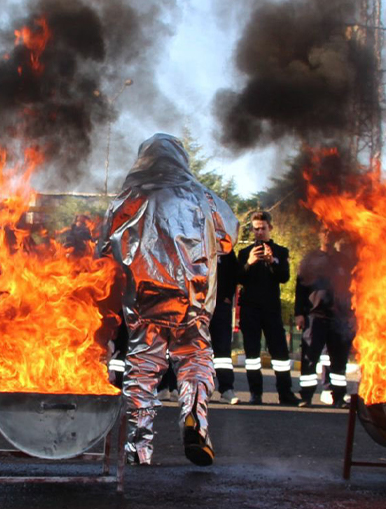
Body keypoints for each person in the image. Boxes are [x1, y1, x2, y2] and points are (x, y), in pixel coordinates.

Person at [99, 133, 237, 466]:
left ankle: (139, 445)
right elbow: (228, 239)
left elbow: (104, 246)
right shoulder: (204, 197)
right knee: (195, 359)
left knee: (143, 367)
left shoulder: (129, 197)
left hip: (144, 298)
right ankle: (195, 421)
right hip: (193, 297)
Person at [236, 211, 299, 406]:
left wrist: (272, 262)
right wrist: (249, 263)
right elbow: (238, 278)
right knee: (252, 354)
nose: (259, 232)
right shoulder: (244, 253)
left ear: (270, 228)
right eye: (256, 229)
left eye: (263, 228)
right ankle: (255, 393)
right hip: (250, 310)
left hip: (271, 309)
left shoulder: (281, 252)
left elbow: (284, 277)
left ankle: (285, 393)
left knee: (280, 353)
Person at [294, 226, 353, 409]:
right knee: (310, 357)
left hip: (339, 318)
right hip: (315, 316)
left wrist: (353, 314)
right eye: (325, 231)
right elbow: (300, 288)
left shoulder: (343, 261)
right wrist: (299, 314)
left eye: (331, 231)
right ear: (319, 234)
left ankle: (339, 397)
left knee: (339, 359)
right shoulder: (310, 260)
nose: (328, 234)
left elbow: (353, 288)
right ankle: (306, 396)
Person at [210, 251, 239, 403]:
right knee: (195, 349)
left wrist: (228, 296)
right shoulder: (194, 241)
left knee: (222, 351)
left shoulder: (226, 249)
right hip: (197, 305)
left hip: (221, 305)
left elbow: (234, 273)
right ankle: (197, 390)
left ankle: (226, 389)